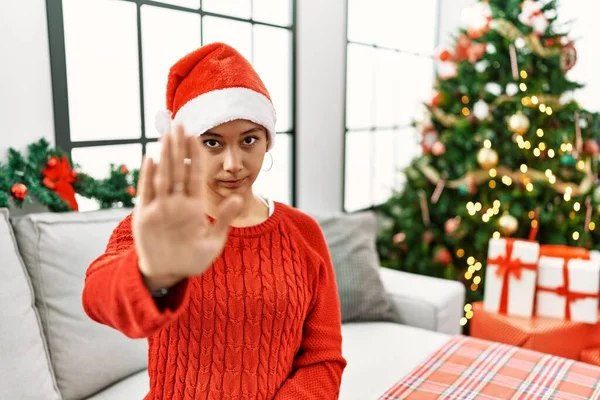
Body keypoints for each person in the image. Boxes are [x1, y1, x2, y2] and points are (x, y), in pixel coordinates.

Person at [82, 42, 347, 399]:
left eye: (248, 140)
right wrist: (153, 273)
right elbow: (97, 298)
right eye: (212, 143)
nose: (233, 163)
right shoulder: (159, 227)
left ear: (267, 141)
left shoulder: (303, 233)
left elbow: (323, 359)